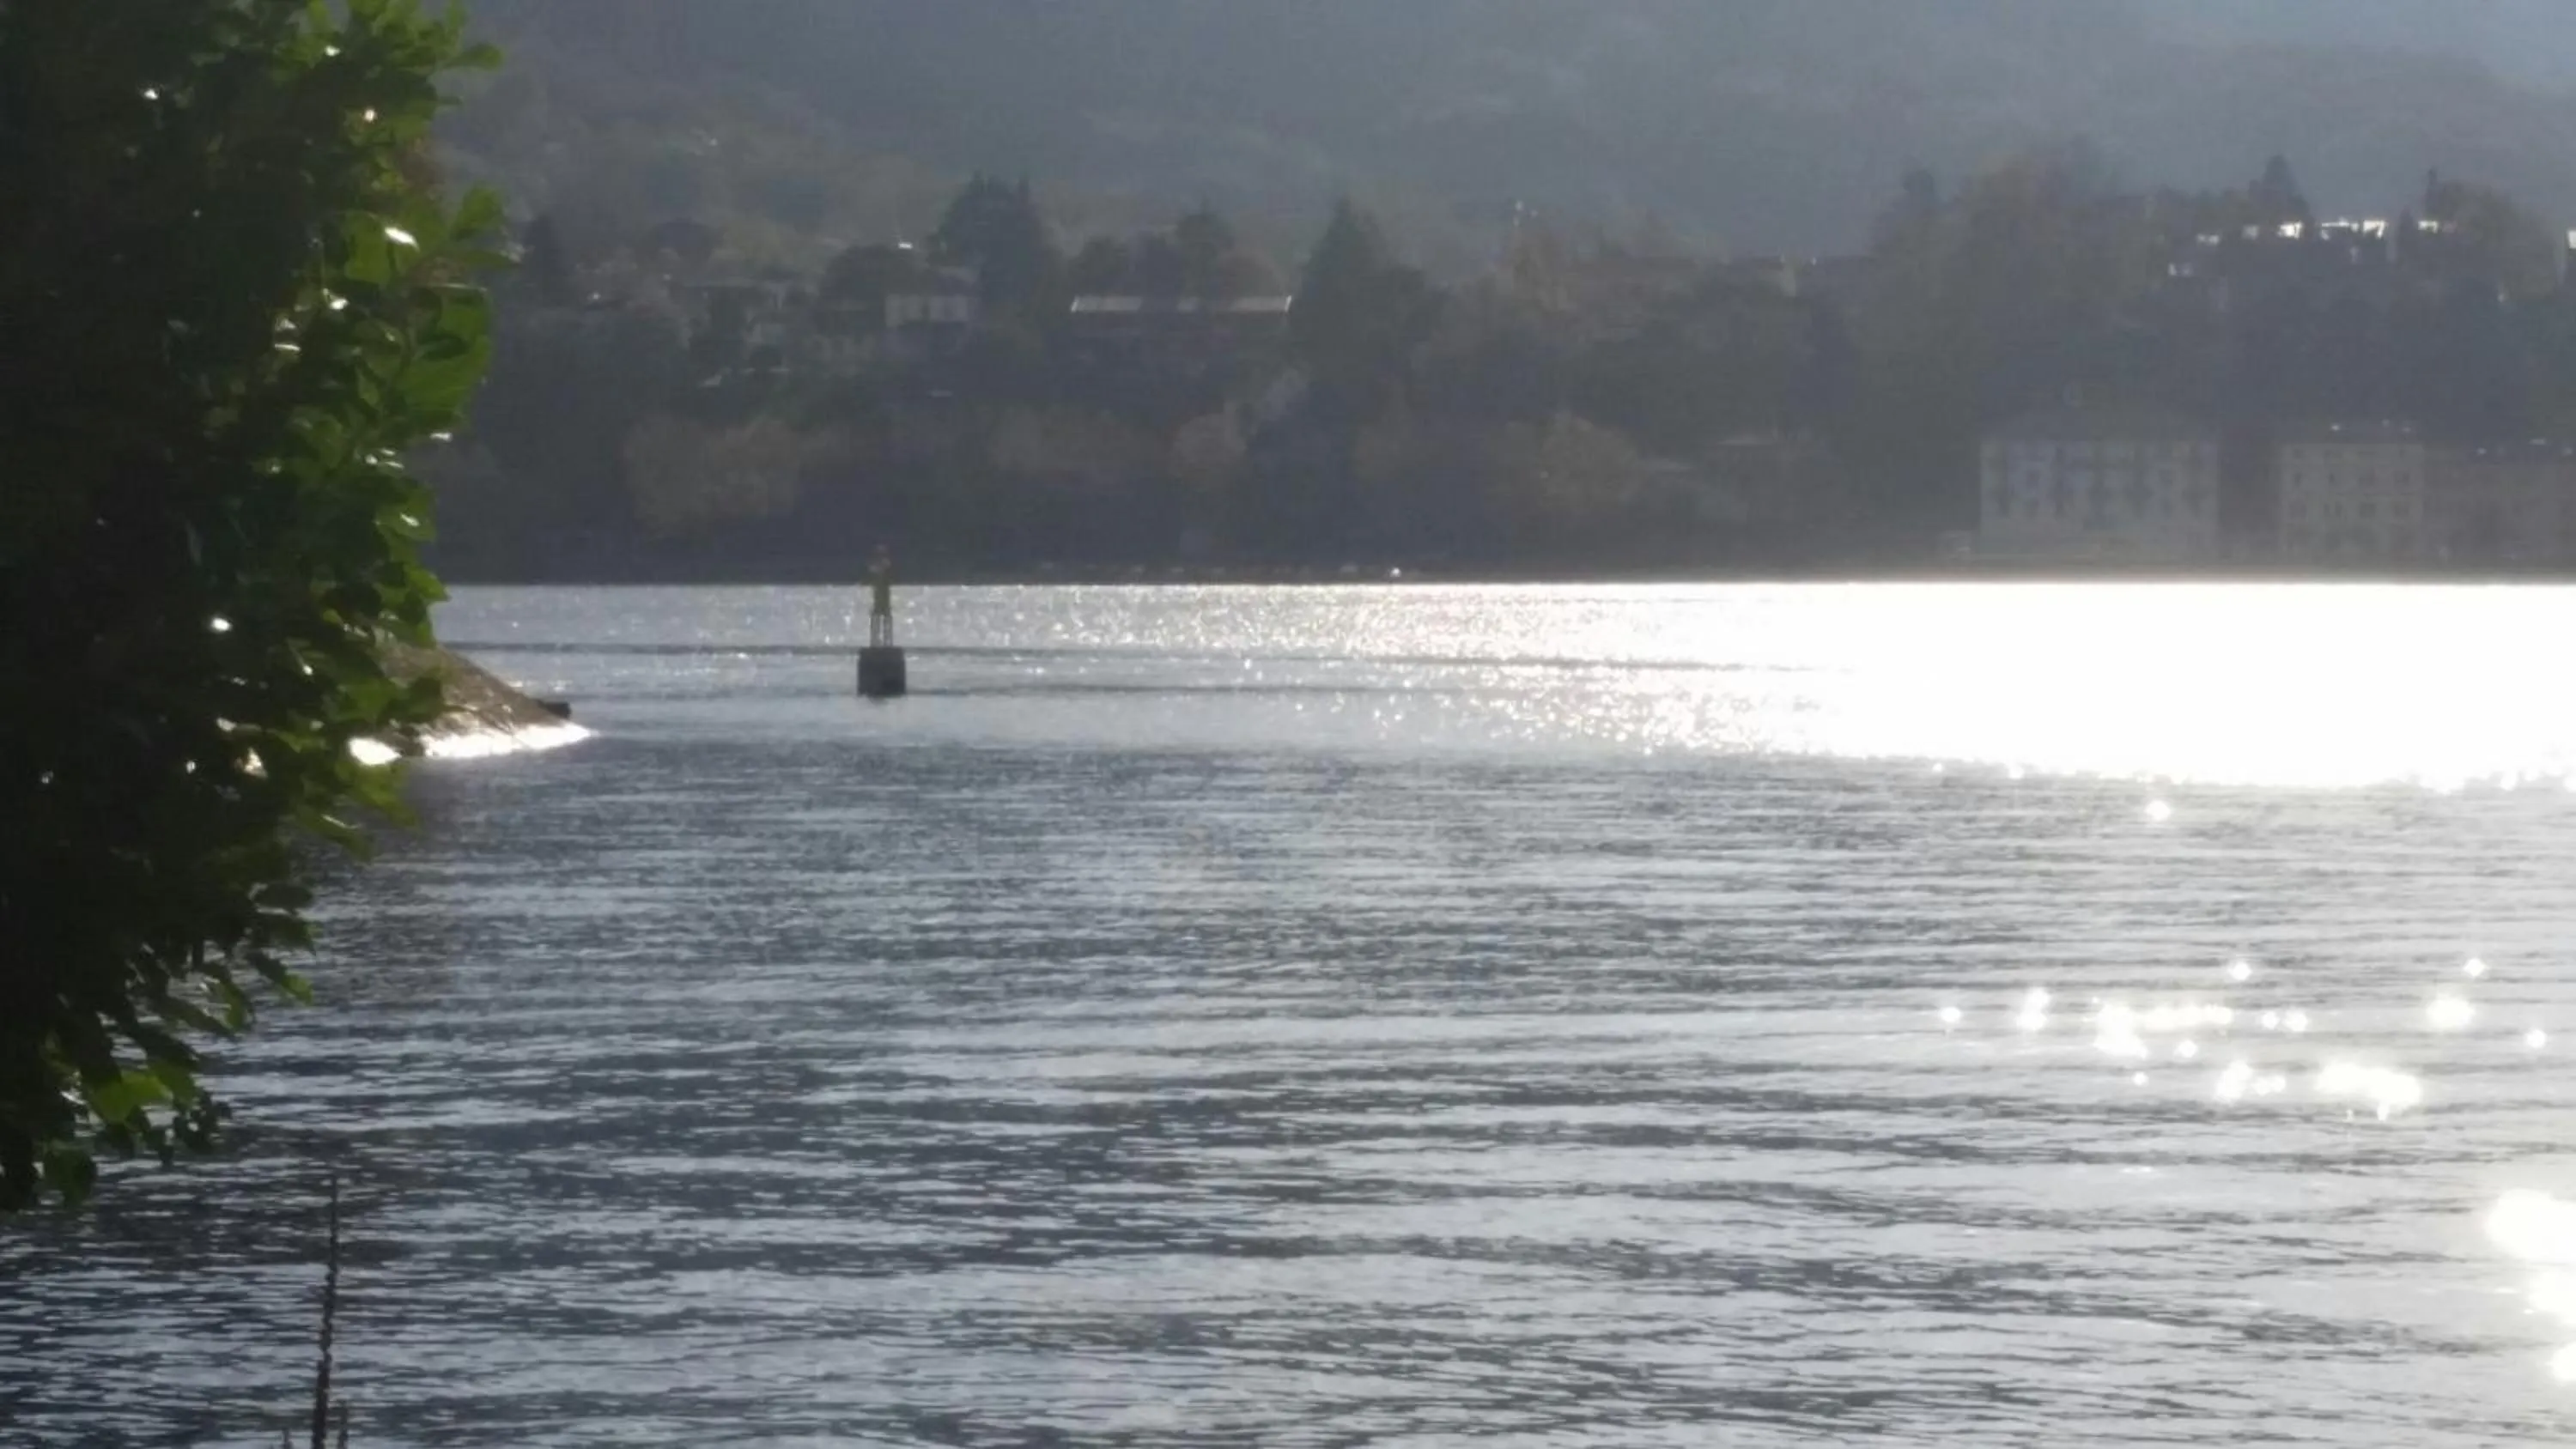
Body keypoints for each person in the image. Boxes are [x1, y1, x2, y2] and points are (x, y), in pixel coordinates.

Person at [866, 546, 896, 647]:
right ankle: (877, 642)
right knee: (879, 619)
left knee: (883, 620)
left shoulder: (883, 568)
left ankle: (885, 642)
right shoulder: (880, 568)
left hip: (883, 599)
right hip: (879, 599)